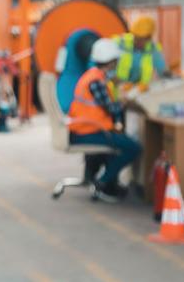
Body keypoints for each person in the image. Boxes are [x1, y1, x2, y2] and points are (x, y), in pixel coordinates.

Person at [67, 38, 143, 202]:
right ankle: (102, 182)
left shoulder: (92, 76)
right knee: (133, 147)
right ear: (110, 62)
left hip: (85, 128)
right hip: (88, 131)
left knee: (120, 141)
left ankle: (108, 182)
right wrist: (126, 100)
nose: (116, 65)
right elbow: (111, 109)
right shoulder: (96, 82)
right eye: (115, 62)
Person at [114, 16, 167, 91]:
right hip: (117, 90)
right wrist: (117, 81)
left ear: (149, 38)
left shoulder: (153, 50)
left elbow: (162, 70)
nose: (136, 41)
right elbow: (104, 64)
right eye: (135, 37)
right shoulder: (120, 43)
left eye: (140, 39)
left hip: (137, 92)